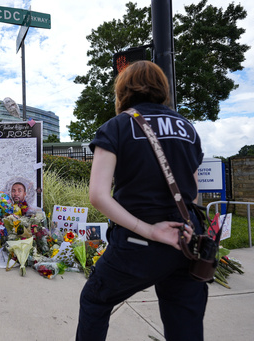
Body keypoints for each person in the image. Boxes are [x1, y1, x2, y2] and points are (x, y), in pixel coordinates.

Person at [76, 61, 205, 341]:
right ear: (162, 88)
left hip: (138, 246)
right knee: (184, 320)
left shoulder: (116, 127)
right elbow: (193, 192)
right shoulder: (187, 128)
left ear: (123, 90)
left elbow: (98, 195)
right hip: (187, 238)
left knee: (95, 300)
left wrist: (150, 230)